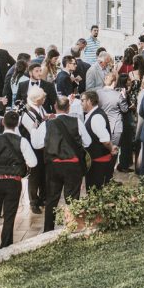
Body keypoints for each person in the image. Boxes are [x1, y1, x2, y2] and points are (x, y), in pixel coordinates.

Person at [0, 111, 37, 253]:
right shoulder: (22, 141)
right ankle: (6, 246)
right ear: (17, 124)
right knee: (9, 216)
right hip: (13, 182)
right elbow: (33, 162)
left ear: (2, 122)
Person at [35, 96, 91, 232]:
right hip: (73, 166)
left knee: (51, 200)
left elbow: (37, 144)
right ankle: (72, 228)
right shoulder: (76, 122)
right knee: (72, 200)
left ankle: (48, 231)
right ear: (68, 108)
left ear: (55, 107)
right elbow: (88, 142)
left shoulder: (46, 124)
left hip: (54, 166)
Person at [20, 85, 52, 214]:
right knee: (34, 175)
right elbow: (33, 132)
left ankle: (43, 197)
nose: (45, 98)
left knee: (44, 173)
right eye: (43, 97)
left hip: (42, 147)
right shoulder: (27, 114)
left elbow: (42, 119)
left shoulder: (39, 108)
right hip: (32, 148)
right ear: (37, 100)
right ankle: (33, 201)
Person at [81, 90, 117, 189]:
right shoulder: (93, 114)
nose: (81, 103)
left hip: (98, 163)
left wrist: (111, 149)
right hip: (94, 162)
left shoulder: (96, 117)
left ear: (89, 101)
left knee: (96, 191)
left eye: (83, 100)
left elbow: (105, 140)